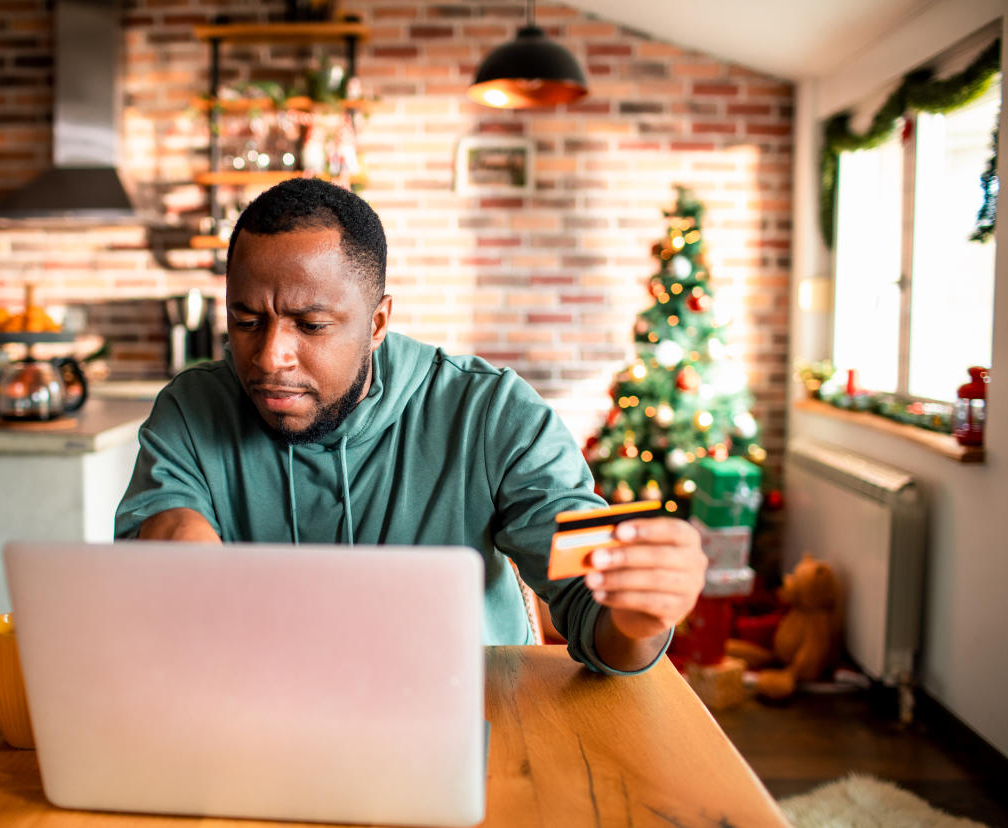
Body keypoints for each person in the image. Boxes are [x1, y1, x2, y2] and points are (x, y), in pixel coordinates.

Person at [115, 178, 706, 675]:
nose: (270, 357)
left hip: (469, 718)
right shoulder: (191, 410)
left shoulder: (493, 414)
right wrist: (164, 538)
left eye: (312, 325)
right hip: (254, 718)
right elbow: (140, 585)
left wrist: (639, 616)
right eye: (246, 321)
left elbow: (594, 611)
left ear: (377, 322)